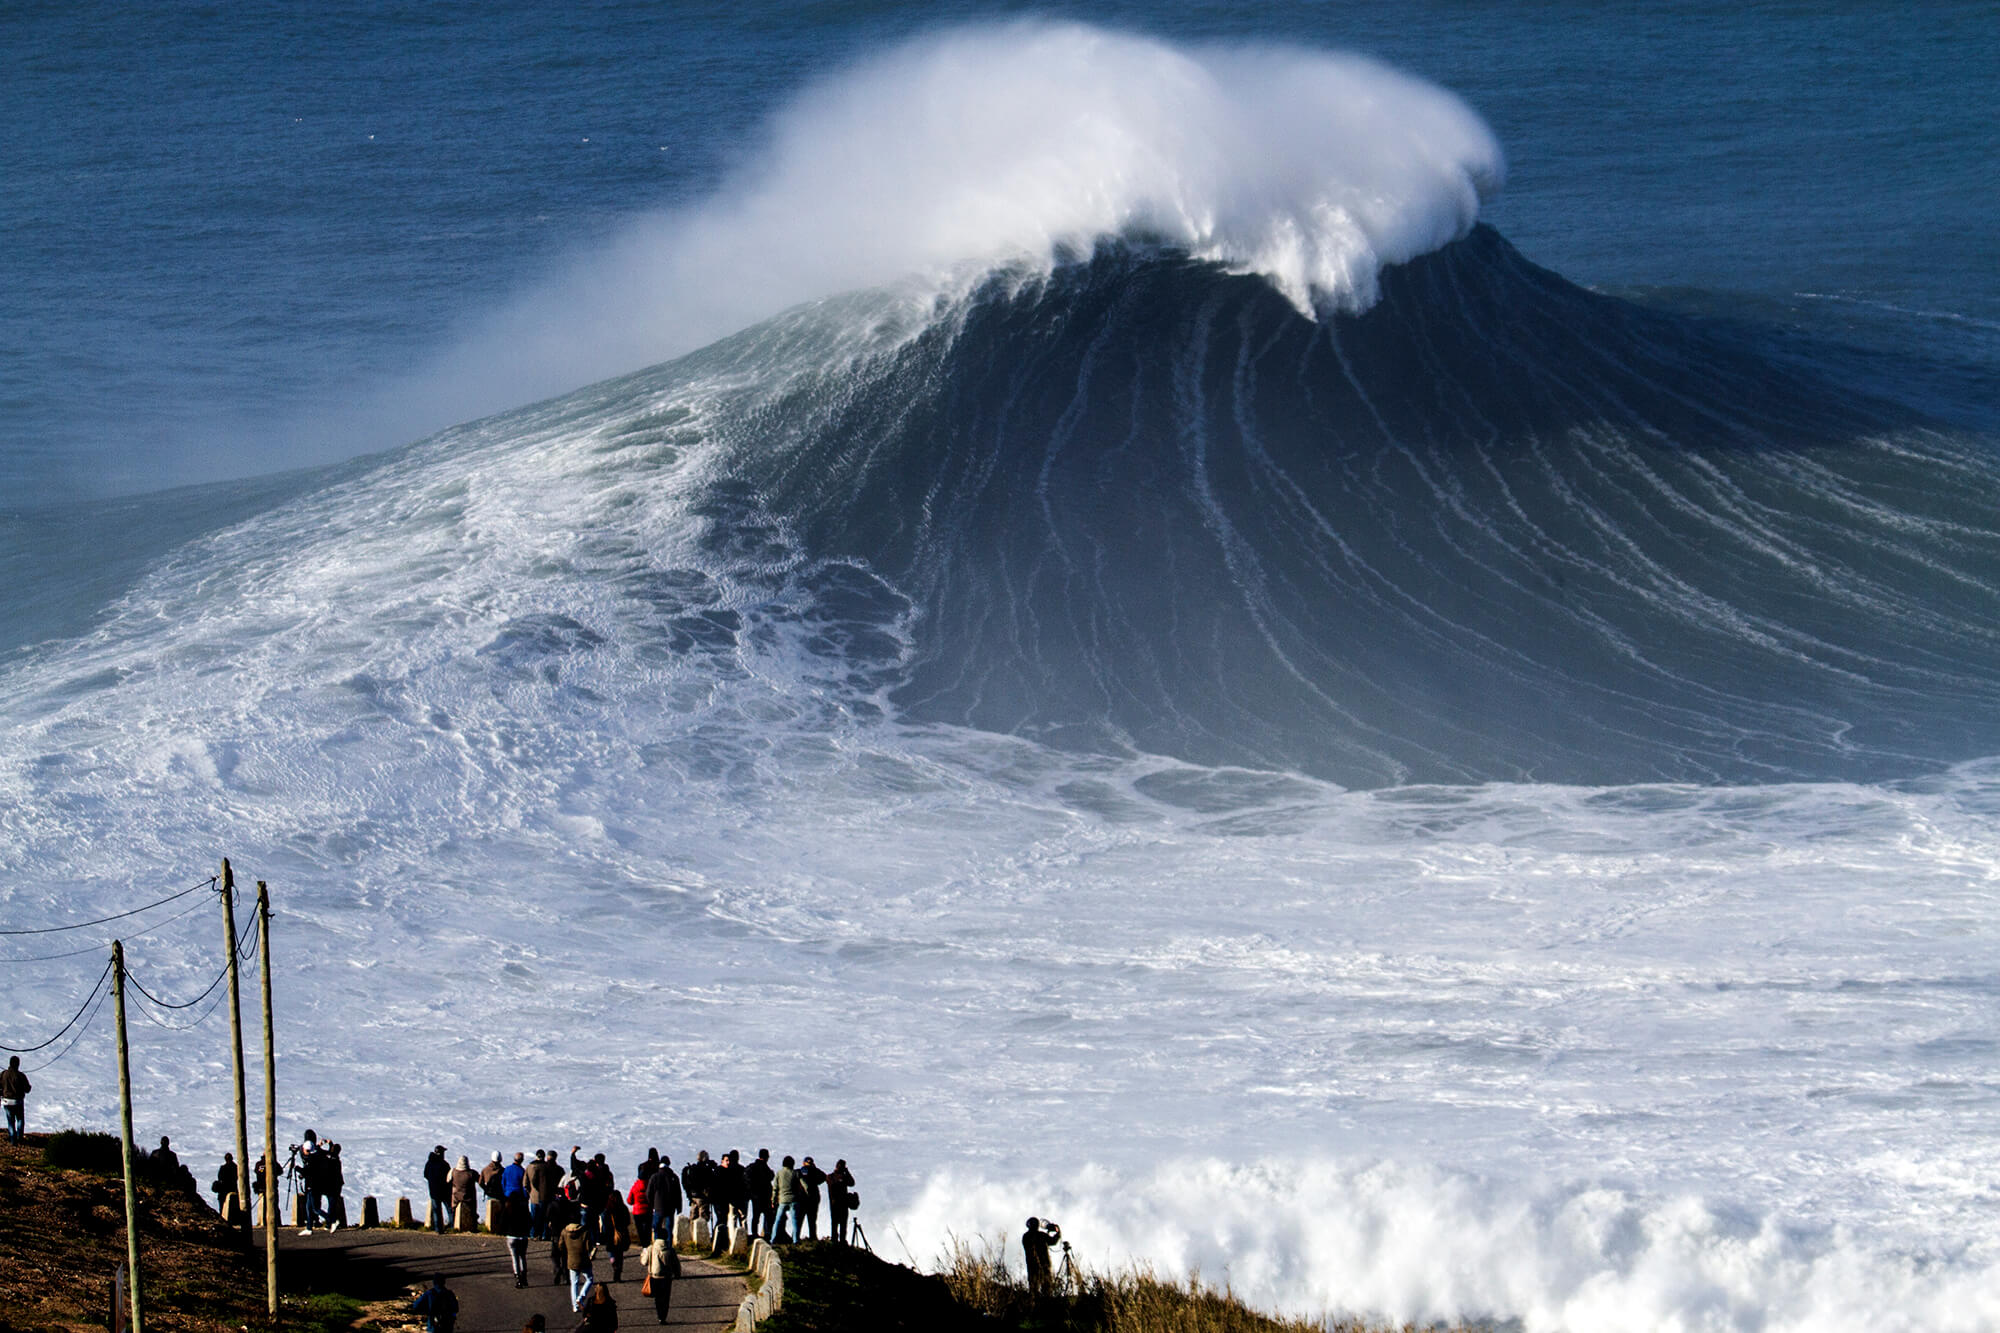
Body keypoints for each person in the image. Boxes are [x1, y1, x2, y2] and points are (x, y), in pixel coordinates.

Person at [638, 1229, 681, 1324]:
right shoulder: (670, 1250)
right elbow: (676, 1264)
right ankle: (663, 1317)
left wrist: (642, 1255)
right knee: (665, 1298)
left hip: (654, 1277)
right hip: (666, 1278)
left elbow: (644, 1262)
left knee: (657, 1298)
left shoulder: (651, 1248)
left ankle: (659, 1315)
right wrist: (678, 1274)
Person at [502, 1172, 533, 1288]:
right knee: (522, 1257)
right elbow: (530, 1221)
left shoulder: (508, 1209)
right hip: (523, 1236)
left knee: (514, 1258)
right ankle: (524, 1277)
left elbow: (502, 1223)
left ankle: (518, 1278)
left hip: (511, 1236)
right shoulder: (524, 1209)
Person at [560, 1214, 597, 1310]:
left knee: (574, 1283)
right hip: (584, 1260)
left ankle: (575, 1306)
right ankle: (581, 1297)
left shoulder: (564, 1231)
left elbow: (561, 1246)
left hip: (571, 1260)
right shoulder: (585, 1232)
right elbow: (589, 1247)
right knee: (589, 1279)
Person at [644, 1154, 680, 1242]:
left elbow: (648, 1193)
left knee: (656, 1227)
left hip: (658, 1207)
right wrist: (679, 1207)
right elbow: (678, 1193)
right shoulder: (674, 1177)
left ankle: (658, 1246)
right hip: (670, 1207)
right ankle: (668, 1249)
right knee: (668, 1229)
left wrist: (652, 1204)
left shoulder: (655, 1176)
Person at [528, 1149, 560, 1240]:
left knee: (541, 1216)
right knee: (550, 1216)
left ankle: (538, 1233)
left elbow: (534, 1181)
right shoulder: (558, 1169)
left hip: (542, 1195)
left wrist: (539, 1189)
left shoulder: (541, 1167)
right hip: (553, 1196)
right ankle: (546, 1234)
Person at [770, 1155, 801, 1243]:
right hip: (793, 1200)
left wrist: (773, 1200)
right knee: (795, 1222)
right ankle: (795, 1240)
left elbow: (775, 1188)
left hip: (782, 1201)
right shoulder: (795, 1173)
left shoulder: (779, 1173)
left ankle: (772, 1239)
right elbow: (803, 1185)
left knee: (777, 1221)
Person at [745, 1149, 775, 1241]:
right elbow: (770, 1177)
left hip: (755, 1196)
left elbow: (747, 1178)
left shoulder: (752, 1167)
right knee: (767, 1215)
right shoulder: (765, 1168)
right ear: (766, 1157)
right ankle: (766, 1234)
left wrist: (751, 1192)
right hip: (765, 1195)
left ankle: (754, 1233)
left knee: (756, 1216)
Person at [826, 1159, 856, 1244]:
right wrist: (846, 1173)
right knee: (837, 1224)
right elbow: (851, 1182)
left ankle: (839, 1240)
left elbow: (852, 1183)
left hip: (840, 1205)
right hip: (836, 1204)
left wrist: (846, 1173)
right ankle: (836, 1240)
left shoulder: (834, 1177)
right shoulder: (831, 1177)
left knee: (840, 1224)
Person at [1022, 1218, 1053, 1299]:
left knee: (1034, 1289)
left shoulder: (1026, 1236)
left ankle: (1035, 1305)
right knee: (1047, 1288)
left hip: (1032, 1266)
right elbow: (1053, 1241)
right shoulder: (1042, 1235)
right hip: (1044, 1265)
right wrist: (1058, 1233)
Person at [424, 1145, 452, 1233]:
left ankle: (438, 1229)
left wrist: (432, 1181)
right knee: (450, 1209)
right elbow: (449, 1177)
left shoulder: (429, 1163)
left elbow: (425, 1175)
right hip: (444, 1191)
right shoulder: (444, 1164)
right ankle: (452, 1227)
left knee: (436, 1211)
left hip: (433, 1191)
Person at [0, 1057, 29, 1143]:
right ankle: (19, 1137)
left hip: (6, 1101)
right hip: (18, 1101)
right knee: (20, 1119)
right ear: (18, 1064)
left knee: (10, 1121)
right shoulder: (21, 1075)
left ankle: (13, 1139)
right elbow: (27, 1089)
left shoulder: (3, 1074)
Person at [797, 1156, 825, 1240]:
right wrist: (814, 1168)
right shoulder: (815, 1171)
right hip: (813, 1199)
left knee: (799, 1220)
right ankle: (813, 1237)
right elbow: (823, 1177)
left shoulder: (799, 1171)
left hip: (802, 1198)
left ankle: (796, 1237)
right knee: (812, 1220)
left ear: (803, 1163)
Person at [212, 1152, 238, 1216]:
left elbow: (220, 1177)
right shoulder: (236, 1167)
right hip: (232, 1188)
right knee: (233, 1207)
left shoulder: (223, 1168)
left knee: (222, 1207)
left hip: (223, 1190)